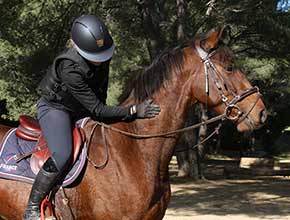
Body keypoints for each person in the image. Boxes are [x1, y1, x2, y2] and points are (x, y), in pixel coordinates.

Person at [23, 14, 161, 220]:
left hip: (81, 108)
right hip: (56, 109)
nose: (101, 62)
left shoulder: (101, 55)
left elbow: (100, 97)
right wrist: (132, 111)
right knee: (62, 154)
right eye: (95, 58)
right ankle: (32, 208)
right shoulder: (69, 67)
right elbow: (97, 109)